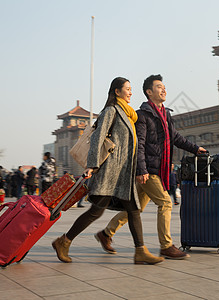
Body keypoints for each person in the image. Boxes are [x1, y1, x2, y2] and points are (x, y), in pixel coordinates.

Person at [51, 77, 163, 265]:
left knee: (134, 210)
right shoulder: (111, 111)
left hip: (124, 174)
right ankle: (64, 241)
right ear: (117, 92)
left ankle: (140, 251)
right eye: (127, 89)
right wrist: (92, 165)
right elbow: (97, 138)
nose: (130, 92)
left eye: (131, 89)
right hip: (110, 172)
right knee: (96, 212)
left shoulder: (128, 114)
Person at [95, 74, 205, 259]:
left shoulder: (165, 114)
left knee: (135, 209)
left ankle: (106, 233)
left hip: (157, 169)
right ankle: (166, 245)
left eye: (164, 87)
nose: (164, 90)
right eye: (159, 87)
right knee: (165, 202)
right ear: (149, 92)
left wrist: (195, 149)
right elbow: (139, 145)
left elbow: (175, 137)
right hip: (149, 170)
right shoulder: (143, 115)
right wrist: (141, 169)